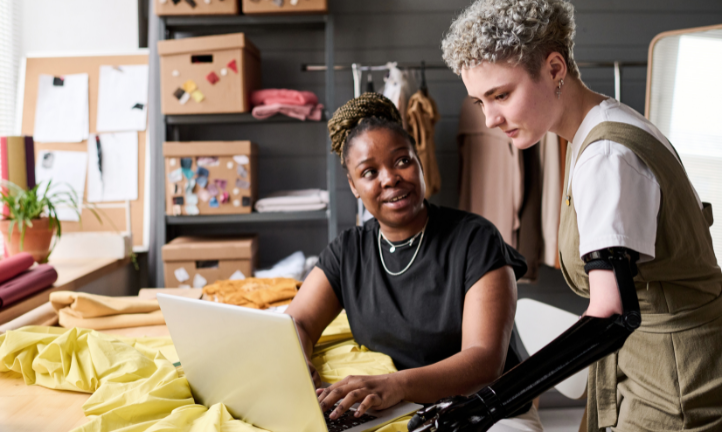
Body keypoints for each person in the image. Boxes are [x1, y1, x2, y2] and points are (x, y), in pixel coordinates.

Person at [415, 0, 722, 431]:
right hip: (653, 371)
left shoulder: (607, 156)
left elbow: (611, 314)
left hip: (675, 389)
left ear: (555, 68)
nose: (489, 119)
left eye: (501, 95)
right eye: (480, 101)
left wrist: (487, 404)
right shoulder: (601, 128)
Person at [285, 92, 544, 432]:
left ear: (419, 161)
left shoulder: (475, 240)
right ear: (353, 185)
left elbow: (484, 361)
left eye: (402, 161)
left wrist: (394, 386)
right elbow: (298, 322)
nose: (390, 178)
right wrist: (299, 363)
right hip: (402, 411)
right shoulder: (348, 251)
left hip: (485, 410)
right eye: (369, 172)